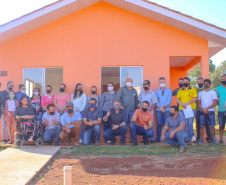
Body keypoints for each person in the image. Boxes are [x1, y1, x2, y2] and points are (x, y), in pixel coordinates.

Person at [177, 77, 197, 145]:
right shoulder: (180, 90)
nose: (185, 82)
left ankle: (190, 139)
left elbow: (195, 98)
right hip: (181, 109)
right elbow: (178, 99)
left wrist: (186, 103)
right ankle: (184, 138)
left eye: (186, 81)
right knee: (182, 124)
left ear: (189, 82)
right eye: (184, 81)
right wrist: (182, 104)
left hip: (190, 109)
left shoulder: (193, 89)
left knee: (190, 124)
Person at [197, 79, 218, 144]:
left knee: (212, 126)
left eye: (207, 83)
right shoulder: (200, 93)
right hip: (202, 112)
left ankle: (213, 139)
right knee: (201, 126)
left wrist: (206, 109)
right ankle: (201, 139)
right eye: (204, 83)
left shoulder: (213, 92)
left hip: (210, 111)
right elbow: (198, 103)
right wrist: (203, 109)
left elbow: (215, 103)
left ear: (210, 85)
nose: (205, 84)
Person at [195, 77, 212, 143]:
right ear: (197, 83)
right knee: (198, 124)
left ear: (203, 82)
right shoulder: (196, 91)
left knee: (207, 124)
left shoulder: (206, 90)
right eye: (198, 82)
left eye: (201, 81)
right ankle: (198, 138)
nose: (200, 83)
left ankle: (209, 137)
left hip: (206, 110)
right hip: (198, 110)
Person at [155, 77, 172, 142]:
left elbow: (169, 100)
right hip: (159, 110)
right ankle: (158, 138)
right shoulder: (157, 91)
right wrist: (160, 107)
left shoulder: (169, 91)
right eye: (161, 82)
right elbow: (156, 100)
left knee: (166, 124)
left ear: (165, 82)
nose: (162, 83)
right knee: (159, 124)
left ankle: (166, 138)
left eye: (163, 82)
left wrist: (164, 107)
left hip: (167, 110)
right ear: (159, 83)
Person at [216, 74, 226, 144]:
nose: (223, 81)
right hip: (221, 110)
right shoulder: (218, 88)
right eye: (221, 80)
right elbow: (215, 98)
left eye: (224, 79)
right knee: (221, 125)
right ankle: (221, 139)